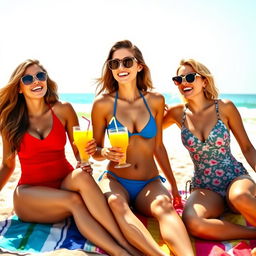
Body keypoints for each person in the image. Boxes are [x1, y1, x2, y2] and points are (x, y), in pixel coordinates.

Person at [0, 59, 141, 256]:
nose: (36, 81)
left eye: (40, 76)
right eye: (28, 78)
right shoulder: (10, 121)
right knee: (74, 201)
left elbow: (78, 151)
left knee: (81, 177)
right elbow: (7, 166)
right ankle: (120, 252)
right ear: (20, 88)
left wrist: (85, 159)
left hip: (63, 183)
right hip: (30, 195)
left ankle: (125, 243)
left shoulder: (63, 109)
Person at [91, 40, 194, 256]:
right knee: (117, 204)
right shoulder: (103, 104)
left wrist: (174, 186)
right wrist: (105, 152)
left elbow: (158, 146)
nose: (121, 68)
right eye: (115, 63)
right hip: (116, 178)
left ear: (139, 66)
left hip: (149, 180)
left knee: (165, 207)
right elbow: (96, 151)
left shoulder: (155, 100)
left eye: (127, 61)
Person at [163, 58, 256, 241]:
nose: (184, 83)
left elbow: (247, 148)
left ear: (204, 81)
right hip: (205, 186)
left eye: (190, 77)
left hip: (234, 178)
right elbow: (147, 130)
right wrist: (153, 106)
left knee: (239, 197)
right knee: (193, 222)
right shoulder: (176, 113)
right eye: (179, 79)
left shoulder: (225, 107)